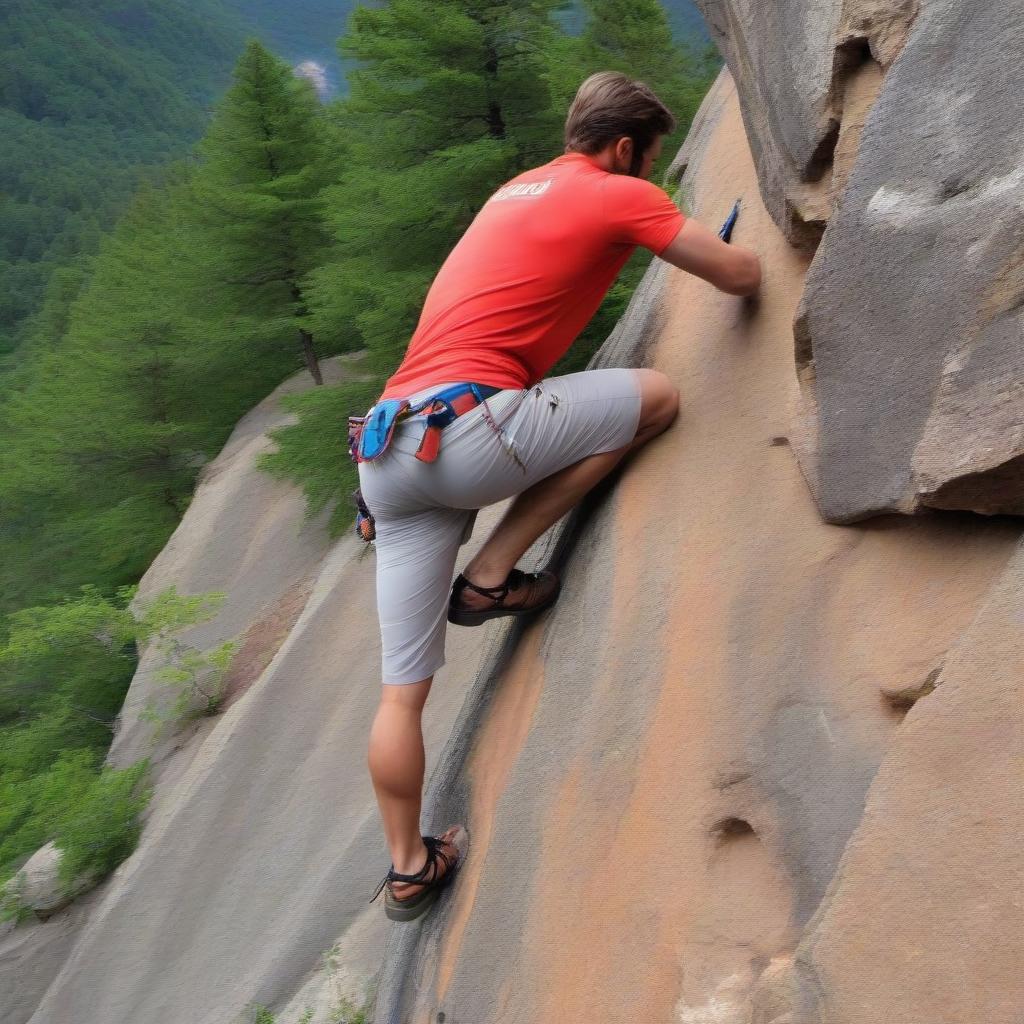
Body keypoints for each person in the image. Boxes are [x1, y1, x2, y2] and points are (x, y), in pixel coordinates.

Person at [360, 71, 761, 921]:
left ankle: (407, 869)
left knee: (401, 695)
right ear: (624, 150)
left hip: (385, 449)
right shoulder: (616, 193)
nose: (649, 174)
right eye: (650, 160)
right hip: (471, 430)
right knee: (654, 399)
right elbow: (739, 274)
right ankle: (495, 571)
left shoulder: (514, 190)